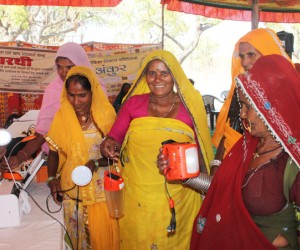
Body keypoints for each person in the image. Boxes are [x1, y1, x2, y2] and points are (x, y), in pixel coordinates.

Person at [100, 49, 214, 249]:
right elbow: (114, 138)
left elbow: (202, 154)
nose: (157, 78)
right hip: (137, 198)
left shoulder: (191, 108)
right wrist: (107, 145)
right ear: (145, 77)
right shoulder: (133, 104)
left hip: (180, 197)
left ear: (175, 75)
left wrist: (206, 188)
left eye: (164, 72)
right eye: (152, 73)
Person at [185, 55, 299, 249]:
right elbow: (218, 188)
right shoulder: (246, 146)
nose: (242, 114)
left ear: (271, 108)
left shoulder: (291, 160)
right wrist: (185, 177)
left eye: (247, 106)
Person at [45, 65, 118, 250]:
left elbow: (119, 153)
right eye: (71, 94)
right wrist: (52, 179)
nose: (76, 101)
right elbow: (53, 151)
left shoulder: (106, 115)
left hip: (102, 194)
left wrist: (95, 162)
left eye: (82, 95)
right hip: (72, 193)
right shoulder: (62, 117)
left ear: (92, 92)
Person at [4, 42, 107, 169]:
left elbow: (105, 127)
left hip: (92, 159)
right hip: (59, 159)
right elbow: (43, 132)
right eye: (59, 67)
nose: (63, 72)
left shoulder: (97, 88)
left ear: (81, 65)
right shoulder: (53, 90)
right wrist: (21, 156)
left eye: (69, 67)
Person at [211, 28, 293, 171]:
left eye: (251, 54)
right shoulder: (242, 89)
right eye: (241, 56)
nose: (245, 61)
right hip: (237, 164)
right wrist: (217, 166)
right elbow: (231, 129)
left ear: (268, 53)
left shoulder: (287, 89)